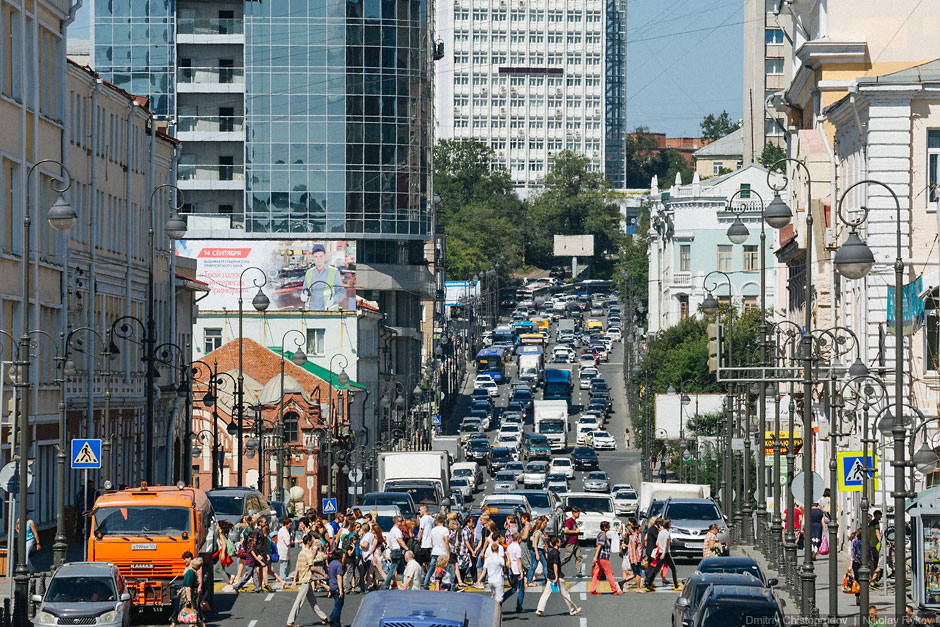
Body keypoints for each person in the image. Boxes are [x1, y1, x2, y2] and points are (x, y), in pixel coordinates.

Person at [286, 534, 329, 627]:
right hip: (306, 580)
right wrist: (323, 574)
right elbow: (312, 567)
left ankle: (324, 617)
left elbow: (297, 566)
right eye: (311, 541)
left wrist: (294, 580)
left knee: (313, 601)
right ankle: (290, 621)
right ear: (309, 541)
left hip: (305, 580)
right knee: (299, 601)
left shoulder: (301, 552)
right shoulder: (308, 553)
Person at [535, 536, 582, 617]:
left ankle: (539, 609)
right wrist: (557, 576)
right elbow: (555, 565)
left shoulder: (550, 553)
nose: (561, 543)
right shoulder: (556, 553)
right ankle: (572, 609)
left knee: (546, 593)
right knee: (565, 594)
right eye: (559, 542)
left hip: (550, 576)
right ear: (556, 544)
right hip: (557, 578)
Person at [302, 244, 343, 311]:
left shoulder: (334, 272)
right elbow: (304, 290)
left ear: (325, 256)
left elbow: (341, 292)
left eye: (321, 256)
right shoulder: (309, 273)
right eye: (316, 256)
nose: (318, 259)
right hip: (311, 311)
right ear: (312, 257)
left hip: (328, 311)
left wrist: (334, 299)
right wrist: (303, 295)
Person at [644, 519, 680, 592]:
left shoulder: (660, 532)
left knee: (656, 569)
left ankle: (649, 582)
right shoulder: (667, 533)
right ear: (668, 525)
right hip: (666, 553)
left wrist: (661, 549)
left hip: (660, 552)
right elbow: (665, 544)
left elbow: (657, 543)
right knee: (673, 569)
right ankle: (676, 585)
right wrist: (664, 552)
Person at [589, 521, 622, 595]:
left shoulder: (600, 534)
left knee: (597, 574)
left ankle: (593, 590)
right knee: (609, 573)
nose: (609, 528)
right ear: (604, 528)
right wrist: (595, 557)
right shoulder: (603, 536)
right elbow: (599, 546)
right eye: (608, 526)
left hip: (599, 557)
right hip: (603, 557)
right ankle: (615, 590)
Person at [171, 553, 203, 627]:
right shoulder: (189, 569)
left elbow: (198, 579)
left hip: (189, 592)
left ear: (189, 558)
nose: (184, 560)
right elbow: (186, 583)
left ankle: (194, 623)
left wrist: (199, 587)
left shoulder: (194, 568)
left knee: (192, 607)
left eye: (185, 558)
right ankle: (195, 623)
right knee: (189, 607)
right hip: (186, 591)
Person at [423, 514, 450, 589]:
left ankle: (425, 584)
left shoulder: (433, 530)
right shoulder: (445, 530)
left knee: (431, 569)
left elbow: (432, 541)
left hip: (435, 551)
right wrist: (448, 552)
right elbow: (446, 542)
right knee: (447, 569)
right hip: (442, 551)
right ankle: (452, 585)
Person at [502, 532, 526, 613]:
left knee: (513, 588)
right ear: (518, 539)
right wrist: (521, 572)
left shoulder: (509, 546)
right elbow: (518, 560)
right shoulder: (518, 548)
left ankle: (502, 599)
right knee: (521, 589)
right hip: (517, 570)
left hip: (511, 569)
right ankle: (519, 607)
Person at [383, 517, 409, 589]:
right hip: (397, 551)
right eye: (400, 521)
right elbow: (400, 540)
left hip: (395, 551)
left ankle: (404, 583)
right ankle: (386, 585)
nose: (402, 522)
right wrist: (407, 549)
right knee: (393, 569)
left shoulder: (392, 530)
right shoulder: (397, 530)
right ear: (397, 522)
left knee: (403, 569)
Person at [560, 507, 583, 577]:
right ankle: (556, 566)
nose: (579, 514)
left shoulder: (574, 521)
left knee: (579, 557)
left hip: (576, 542)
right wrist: (575, 531)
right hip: (570, 542)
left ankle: (579, 572)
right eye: (577, 513)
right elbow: (566, 530)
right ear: (573, 513)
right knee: (567, 557)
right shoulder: (569, 521)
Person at [527, 517, 549, 586]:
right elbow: (535, 544)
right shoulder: (537, 533)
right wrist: (537, 554)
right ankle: (547, 580)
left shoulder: (541, 532)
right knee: (544, 565)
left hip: (540, 550)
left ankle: (529, 581)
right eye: (543, 524)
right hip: (538, 551)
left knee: (534, 565)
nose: (544, 525)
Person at [623, 523, 644, 593]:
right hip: (635, 558)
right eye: (639, 529)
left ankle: (622, 582)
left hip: (636, 558)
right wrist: (635, 559)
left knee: (635, 574)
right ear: (636, 530)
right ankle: (638, 588)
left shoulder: (634, 536)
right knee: (638, 573)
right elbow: (633, 548)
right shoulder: (634, 537)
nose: (641, 530)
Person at [327, 550, 344, 627]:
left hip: (332, 586)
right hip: (337, 586)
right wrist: (341, 589)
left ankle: (333, 620)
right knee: (338, 606)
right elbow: (339, 577)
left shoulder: (331, 564)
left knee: (337, 605)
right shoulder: (339, 565)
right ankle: (335, 622)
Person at [277, 518, 294, 586]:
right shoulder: (284, 531)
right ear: (286, 524)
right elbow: (287, 542)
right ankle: (282, 579)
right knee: (284, 565)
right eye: (289, 523)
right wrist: (294, 542)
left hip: (284, 550)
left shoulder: (282, 530)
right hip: (283, 550)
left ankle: (282, 578)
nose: (290, 525)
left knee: (287, 565)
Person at [869, 510, 884, 585]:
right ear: (876, 515)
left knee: (874, 562)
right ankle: (874, 579)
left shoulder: (871, 523)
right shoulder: (875, 523)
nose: (881, 516)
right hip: (875, 544)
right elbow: (877, 532)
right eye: (880, 515)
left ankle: (874, 579)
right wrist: (881, 541)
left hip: (871, 544)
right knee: (879, 562)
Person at [850, 528, 862, 606]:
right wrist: (850, 565)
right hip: (856, 562)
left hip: (864, 562)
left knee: (863, 581)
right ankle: (858, 598)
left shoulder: (866, 541)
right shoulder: (855, 541)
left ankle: (861, 597)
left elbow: (870, 552)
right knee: (858, 581)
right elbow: (853, 553)